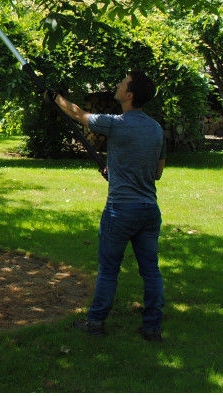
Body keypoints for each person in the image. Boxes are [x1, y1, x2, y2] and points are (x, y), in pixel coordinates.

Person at [50, 70, 166, 342]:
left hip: (120, 211)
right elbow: (157, 173)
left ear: (130, 94)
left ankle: (96, 322)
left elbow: (79, 114)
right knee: (151, 270)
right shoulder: (156, 129)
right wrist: (117, 170)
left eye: (123, 82)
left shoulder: (116, 123)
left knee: (109, 270)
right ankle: (152, 327)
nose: (118, 83)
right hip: (149, 210)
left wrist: (55, 97)